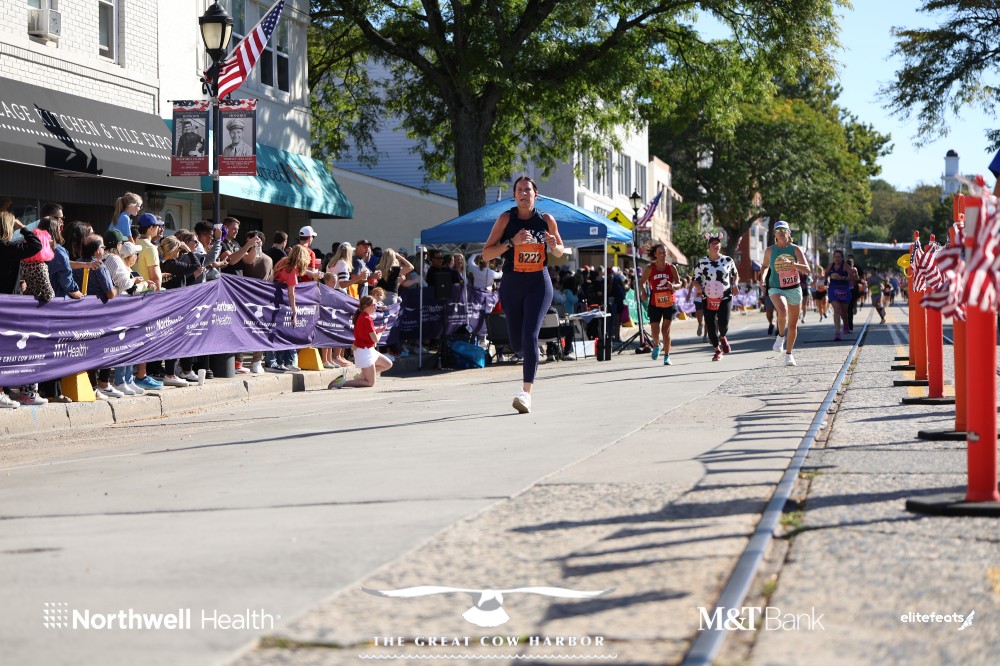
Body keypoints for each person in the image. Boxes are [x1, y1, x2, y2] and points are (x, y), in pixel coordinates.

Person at [480, 175, 565, 414]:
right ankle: (528, 354)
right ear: (514, 195)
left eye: (528, 190)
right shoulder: (506, 219)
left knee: (530, 334)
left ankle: (526, 393)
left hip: (539, 282)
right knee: (517, 343)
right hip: (512, 283)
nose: (523, 193)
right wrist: (511, 242)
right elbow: (486, 254)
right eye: (519, 190)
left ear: (535, 194)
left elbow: (560, 251)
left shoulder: (546, 220)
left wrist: (553, 244)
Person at [761, 220, 811, 366]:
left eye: (784, 230)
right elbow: (764, 267)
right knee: (782, 311)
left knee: (793, 324)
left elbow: (807, 269)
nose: (781, 232)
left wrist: (792, 264)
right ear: (775, 234)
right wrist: (763, 279)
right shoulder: (770, 250)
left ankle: (789, 354)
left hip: (794, 288)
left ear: (788, 232)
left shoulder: (795, 249)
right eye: (778, 230)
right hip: (775, 287)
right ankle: (780, 336)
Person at [328, 295, 394, 389]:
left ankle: (362, 376)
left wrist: (377, 331)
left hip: (368, 349)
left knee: (388, 364)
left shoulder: (364, 317)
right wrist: (380, 332)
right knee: (370, 383)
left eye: (376, 305)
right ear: (366, 305)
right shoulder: (366, 318)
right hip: (364, 351)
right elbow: (375, 339)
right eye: (374, 305)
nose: (375, 307)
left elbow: (368, 335)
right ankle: (341, 383)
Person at [693, 233, 740, 362]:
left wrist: (735, 284)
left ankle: (723, 337)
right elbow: (695, 279)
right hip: (708, 298)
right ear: (708, 246)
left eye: (718, 243)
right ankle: (717, 350)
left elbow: (735, 274)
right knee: (711, 325)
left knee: (723, 324)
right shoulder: (702, 262)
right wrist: (698, 287)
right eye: (713, 243)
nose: (716, 245)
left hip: (725, 296)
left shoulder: (728, 260)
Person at [638, 242, 681, 365]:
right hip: (655, 302)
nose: (662, 254)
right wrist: (643, 292)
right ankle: (656, 345)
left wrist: (673, 286)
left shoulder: (671, 268)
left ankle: (666, 356)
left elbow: (679, 283)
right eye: (660, 252)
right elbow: (641, 282)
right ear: (656, 254)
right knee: (654, 331)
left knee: (665, 330)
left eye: (664, 252)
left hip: (669, 302)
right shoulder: (650, 268)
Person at [826, 249, 852, 341]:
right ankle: (837, 333)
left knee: (843, 312)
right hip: (833, 290)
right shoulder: (830, 266)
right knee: (837, 309)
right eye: (835, 257)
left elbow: (852, 277)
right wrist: (826, 281)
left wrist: (842, 277)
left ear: (842, 258)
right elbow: (826, 274)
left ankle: (845, 323)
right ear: (833, 257)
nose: (837, 259)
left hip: (844, 290)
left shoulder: (845, 266)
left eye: (839, 257)